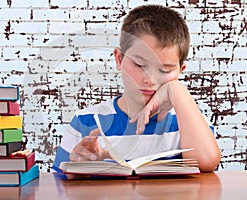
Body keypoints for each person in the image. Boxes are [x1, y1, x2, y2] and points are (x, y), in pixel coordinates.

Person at [53, 4, 221, 177]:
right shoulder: (86, 121)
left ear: (180, 70)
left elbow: (207, 162)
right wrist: (75, 172)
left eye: (165, 70)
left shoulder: (189, 119)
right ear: (119, 59)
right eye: (140, 65)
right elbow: (58, 186)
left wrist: (176, 89)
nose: (150, 80)